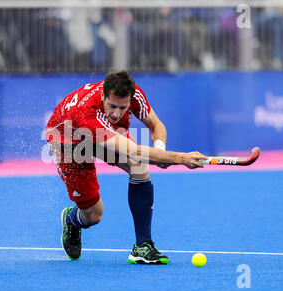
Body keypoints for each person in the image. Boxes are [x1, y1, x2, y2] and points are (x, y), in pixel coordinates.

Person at [44, 71, 207, 264]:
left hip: (101, 133)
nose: (116, 114)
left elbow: (156, 125)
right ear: (103, 96)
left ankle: (142, 246)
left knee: (138, 166)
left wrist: (160, 150)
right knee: (94, 215)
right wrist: (181, 158)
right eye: (112, 106)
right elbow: (134, 151)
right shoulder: (87, 112)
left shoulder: (135, 95)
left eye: (123, 108)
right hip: (69, 141)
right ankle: (71, 219)